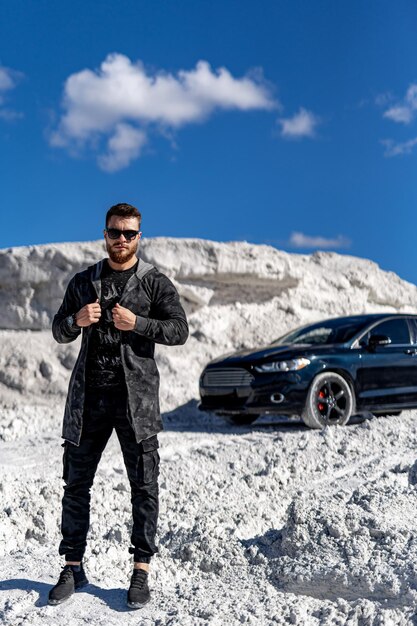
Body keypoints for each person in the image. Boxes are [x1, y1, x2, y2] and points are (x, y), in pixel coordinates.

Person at [48, 203, 188, 609]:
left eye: (129, 233)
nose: (121, 239)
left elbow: (179, 330)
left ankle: (141, 571)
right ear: (104, 234)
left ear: (139, 236)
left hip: (136, 403)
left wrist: (139, 324)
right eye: (115, 232)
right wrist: (77, 320)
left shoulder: (153, 283)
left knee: (143, 487)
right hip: (88, 401)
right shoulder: (83, 281)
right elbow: (59, 330)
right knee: (75, 486)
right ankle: (72, 567)